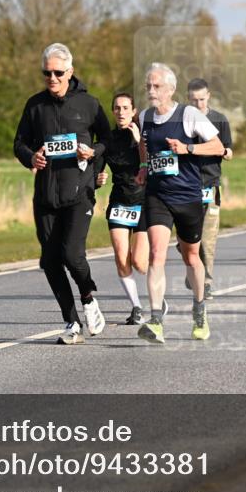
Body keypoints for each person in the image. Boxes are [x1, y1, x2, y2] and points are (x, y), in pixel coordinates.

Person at [14, 42, 109, 345]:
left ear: (70, 72)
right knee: (50, 260)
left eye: (57, 72)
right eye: (47, 73)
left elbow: (107, 140)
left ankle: (88, 297)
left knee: (71, 254)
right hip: (46, 195)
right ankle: (72, 322)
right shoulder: (35, 105)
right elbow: (19, 143)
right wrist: (31, 157)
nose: (52, 78)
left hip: (79, 192)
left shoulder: (88, 104)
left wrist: (94, 155)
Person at [135, 63, 224, 343]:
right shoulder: (144, 117)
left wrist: (188, 148)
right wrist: (143, 166)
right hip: (157, 195)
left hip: (187, 196)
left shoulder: (188, 114)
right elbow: (143, 144)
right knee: (156, 254)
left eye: (157, 86)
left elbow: (218, 146)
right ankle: (156, 320)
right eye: (148, 86)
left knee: (191, 257)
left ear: (171, 89)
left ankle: (199, 310)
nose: (151, 91)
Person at [96, 92, 149, 325]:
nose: (121, 112)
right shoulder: (108, 139)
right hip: (119, 202)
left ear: (133, 111)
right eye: (117, 108)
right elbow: (97, 168)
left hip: (144, 201)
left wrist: (139, 142)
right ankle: (136, 307)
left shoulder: (144, 135)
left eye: (126, 108)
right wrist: (97, 179)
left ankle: (157, 296)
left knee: (139, 262)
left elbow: (154, 164)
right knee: (120, 256)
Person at [186, 78, 232, 300]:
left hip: (211, 186)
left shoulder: (219, 120)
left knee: (208, 239)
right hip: (186, 186)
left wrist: (223, 151)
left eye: (202, 100)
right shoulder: (181, 120)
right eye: (194, 100)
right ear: (188, 99)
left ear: (209, 96)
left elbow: (229, 151)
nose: (198, 104)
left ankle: (206, 282)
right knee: (188, 239)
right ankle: (192, 263)